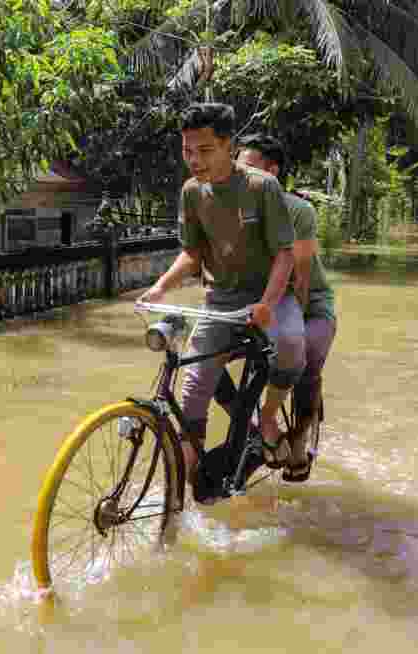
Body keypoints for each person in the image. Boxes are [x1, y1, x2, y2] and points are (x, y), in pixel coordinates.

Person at [136, 103, 305, 501]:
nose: (195, 160)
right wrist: (160, 287)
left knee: (294, 340)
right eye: (187, 151)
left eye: (205, 150)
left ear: (229, 146)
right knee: (192, 389)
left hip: (268, 297)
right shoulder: (192, 193)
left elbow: (285, 255)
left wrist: (267, 303)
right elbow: (192, 254)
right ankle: (179, 496)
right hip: (220, 301)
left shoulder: (263, 187)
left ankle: (266, 420)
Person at [223, 133, 336, 481]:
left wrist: (287, 328)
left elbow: (300, 283)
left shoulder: (298, 210)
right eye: (237, 167)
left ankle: (300, 437)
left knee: (302, 359)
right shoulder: (228, 208)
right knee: (203, 355)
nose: (240, 174)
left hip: (307, 305)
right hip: (257, 303)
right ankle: (256, 423)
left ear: (272, 172)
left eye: (248, 167)